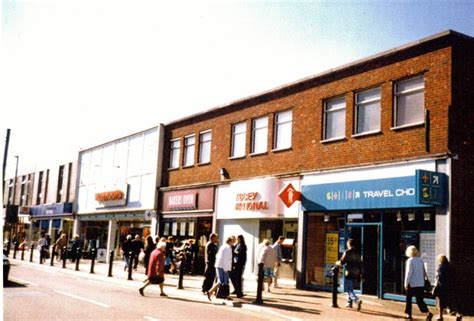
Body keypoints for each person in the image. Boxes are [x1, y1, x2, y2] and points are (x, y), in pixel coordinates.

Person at [404, 245, 433, 321]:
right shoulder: (420, 260)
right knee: (419, 300)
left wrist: (405, 283)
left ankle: (408, 314)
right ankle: (427, 312)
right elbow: (424, 272)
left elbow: (408, 273)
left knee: (408, 299)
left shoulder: (410, 261)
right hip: (420, 283)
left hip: (412, 283)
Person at [337, 239, 363, 311]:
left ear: (349, 244)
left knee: (348, 289)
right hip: (356, 272)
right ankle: (349, 303)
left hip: (349, 272)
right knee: (350, 287)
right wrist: (360, 273)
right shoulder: (358, 253)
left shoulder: (347, 252)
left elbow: (342, 261)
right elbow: (360, 264)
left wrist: (337, 263)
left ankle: (356, 300)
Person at [207, 236, 235, 301]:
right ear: (230, 241)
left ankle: (223, 295)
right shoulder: (228, 248)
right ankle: (210, 292)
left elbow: (218, 256)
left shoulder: (223, 246)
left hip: (220, 265)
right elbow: (226, 259)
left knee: (225, 281)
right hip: (223, 266)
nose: (234, 242)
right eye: (233, 241)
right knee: (221, 281)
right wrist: (226, 269)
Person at [433, 255, 453, 321]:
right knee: (450, 300)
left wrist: (435, 285)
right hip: (449, 286)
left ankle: (440, 316)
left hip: (441, 286)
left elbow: (438, 278)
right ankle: (456, 314)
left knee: (440, 302)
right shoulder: (450, 266)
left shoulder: (440, 268)